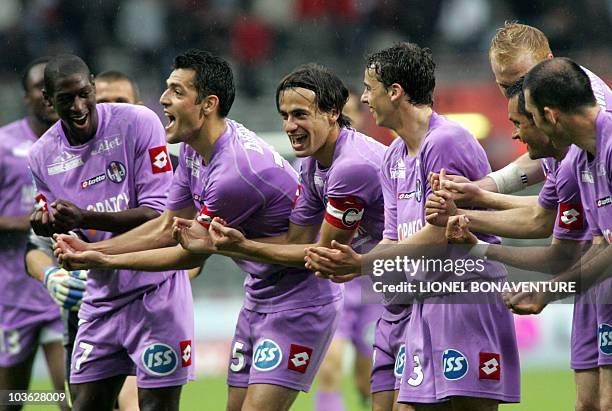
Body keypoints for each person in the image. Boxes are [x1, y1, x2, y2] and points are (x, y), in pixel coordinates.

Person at [54, 50, 342, 411]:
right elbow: (164, 225)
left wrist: (100, 259)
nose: (163, 99)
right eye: (165, 89)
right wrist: (92, 253)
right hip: (260, 294)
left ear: (207, 104)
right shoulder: (195, 151)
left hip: (301, 301)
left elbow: (184, 253)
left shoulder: (233, 173)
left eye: (176, 91)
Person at [305, 42, 520, 410]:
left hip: (464, 295)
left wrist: (360, 263)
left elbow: (440, 234)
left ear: (395, 91)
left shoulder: (447, 141)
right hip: (418, 301)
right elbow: (392, 237)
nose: (366, 99)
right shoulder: (392, 157)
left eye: (370, 88)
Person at [182, 64, 385, 410]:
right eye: (285, 115)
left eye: (300, 114)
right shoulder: (311, 164)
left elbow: (320, 254)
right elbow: (297, 242)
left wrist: (240, 246)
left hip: (403, 281)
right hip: (359, 273)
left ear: (333, 113)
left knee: (386, 392)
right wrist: (235, 247)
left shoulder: (351, 167)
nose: (290, 125)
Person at [29, 54, 194, 411]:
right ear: (47, 100)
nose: (78, 106)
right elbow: (53, 224)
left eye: (84, 93)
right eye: (65, 99)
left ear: (91, 85)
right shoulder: (42, 155)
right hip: (100, 297)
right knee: (85, 404)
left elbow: (157, 213)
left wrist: (83, 218)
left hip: (156, 292)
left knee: (156, 407)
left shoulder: (138, 122)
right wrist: (49, 226)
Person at [426, 77, 600, 411]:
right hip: (592, 286)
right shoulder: (567, 166)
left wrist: (547, 291)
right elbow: (539, 213)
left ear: (546, 116)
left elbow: (545, 233)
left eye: (520, 122)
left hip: (597, 281)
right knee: (591, 403)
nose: (515, 134)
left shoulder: (599, 147)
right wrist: (475, 204)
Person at [463, 22, 611, 197]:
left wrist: (480, 195)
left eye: (523, 80)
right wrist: (486, 185)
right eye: (506, 86)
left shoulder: (581, 106)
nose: (518, 93)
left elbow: (543, 217)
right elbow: (548, 154)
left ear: (548, 61)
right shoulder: (553, 105)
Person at [0, 56, 67, 411]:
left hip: (60, 286)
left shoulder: (73, 144)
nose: (45, 97)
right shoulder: (4, 144)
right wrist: (28, 221)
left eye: (50, 89)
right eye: (37, 90)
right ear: (26, 97)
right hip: (12, 293)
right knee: (11, 401)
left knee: (70, 398)